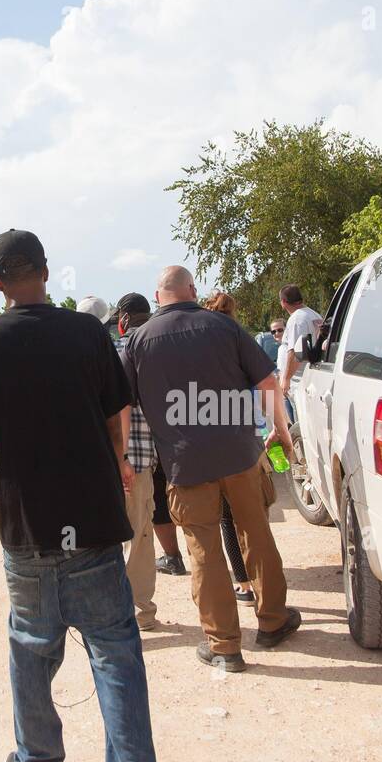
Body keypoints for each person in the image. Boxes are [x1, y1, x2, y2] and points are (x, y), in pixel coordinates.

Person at [0, 230, 167, 762]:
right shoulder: (88, 333)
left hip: (27, 529)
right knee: (117, 659)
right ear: (47, 272)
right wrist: (113, 466)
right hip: (94, 524)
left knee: (31, 651)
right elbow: (115, 420)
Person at [125, 265, 301, 673]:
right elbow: (267, 382)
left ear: (157, 295)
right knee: (255, 533)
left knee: (203, 548)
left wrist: (124, 457)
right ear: (191, 289)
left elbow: (124, 405)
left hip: (185, 462)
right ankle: (273, 621)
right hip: (240, 452)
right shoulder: (223, 327)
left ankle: (223, 646)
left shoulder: (138, 341)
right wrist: (280, 430)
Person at [203, 290, 260, 606]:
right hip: (243, 436)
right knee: (253, 515)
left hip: (209, 438)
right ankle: (263, 584)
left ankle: (244, 584)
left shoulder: (198, 345)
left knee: (226, 518)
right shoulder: (240, 338)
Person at [115, 292, 164, 631]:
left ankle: (114, 613)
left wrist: (120, 456)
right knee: (141, 539)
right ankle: (143, 612)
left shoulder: (117, 353)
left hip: (117, 461)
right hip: (145, 461)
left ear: (123, 320)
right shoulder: (162, 351)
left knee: (112, 541)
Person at [277, 285, 323, 418]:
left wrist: (286, 379)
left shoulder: (297, 319)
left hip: (299, 381)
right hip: (308, 377)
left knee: (301, 421)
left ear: (283, 302)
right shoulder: (313, 314)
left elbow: (295, 351)